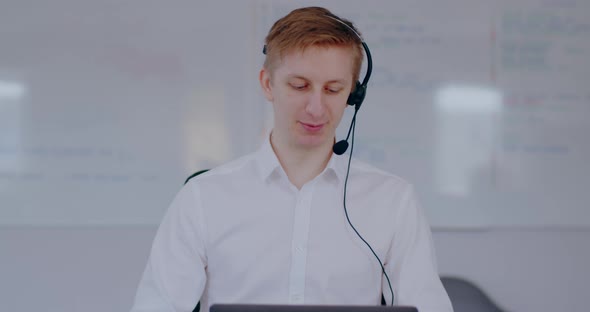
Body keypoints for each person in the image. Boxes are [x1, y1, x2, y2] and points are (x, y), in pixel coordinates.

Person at [131, 7, 453, 312]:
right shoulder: (202, 198)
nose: (316, 108)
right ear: (268, 84)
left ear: (353, 94)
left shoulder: (393, 201)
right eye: (300, 86)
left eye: (333, 89)